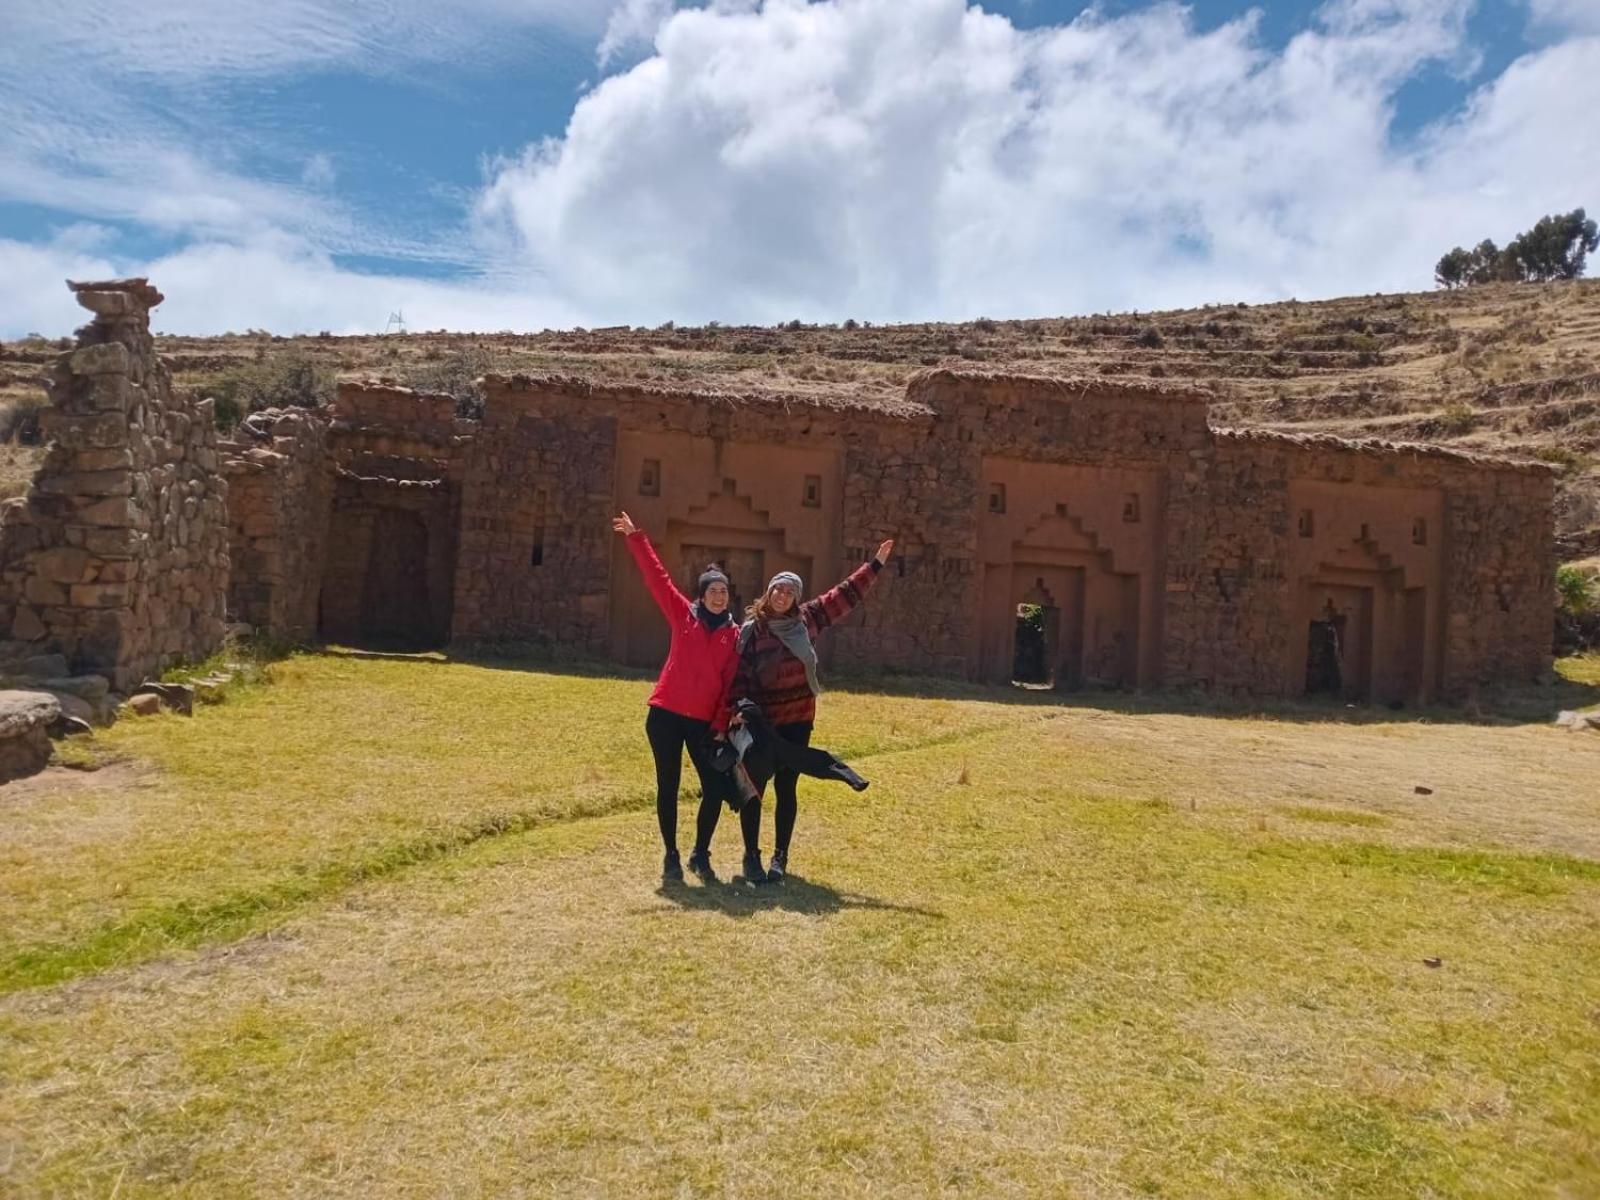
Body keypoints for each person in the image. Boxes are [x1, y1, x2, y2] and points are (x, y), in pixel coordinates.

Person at [729, 539, 894, 883]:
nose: (782, 596)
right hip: (764, 723)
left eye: (789, 592)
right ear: (769, 592)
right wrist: (742, 708)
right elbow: (741, 675)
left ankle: (780, 857)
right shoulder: (753, 631)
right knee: (754, 787)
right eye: (778, 589)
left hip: (799, 720)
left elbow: (844, 595)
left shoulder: (808, 620)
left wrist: (875, 564)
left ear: (796, 597)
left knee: (787, 788)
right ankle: (751, 856)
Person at [612, 511, 741, 884]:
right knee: (667, 785)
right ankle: (670, 853)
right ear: (701, 595)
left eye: (723, 591)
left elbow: (731, 687)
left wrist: (719, 727)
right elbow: (658, 579)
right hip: (666, 715)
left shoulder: (734, 637)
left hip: (703, 722)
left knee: (714, 787)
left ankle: (700, 853)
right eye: (712, 591)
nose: (718, 596)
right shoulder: (683, 615)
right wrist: (637, 539)